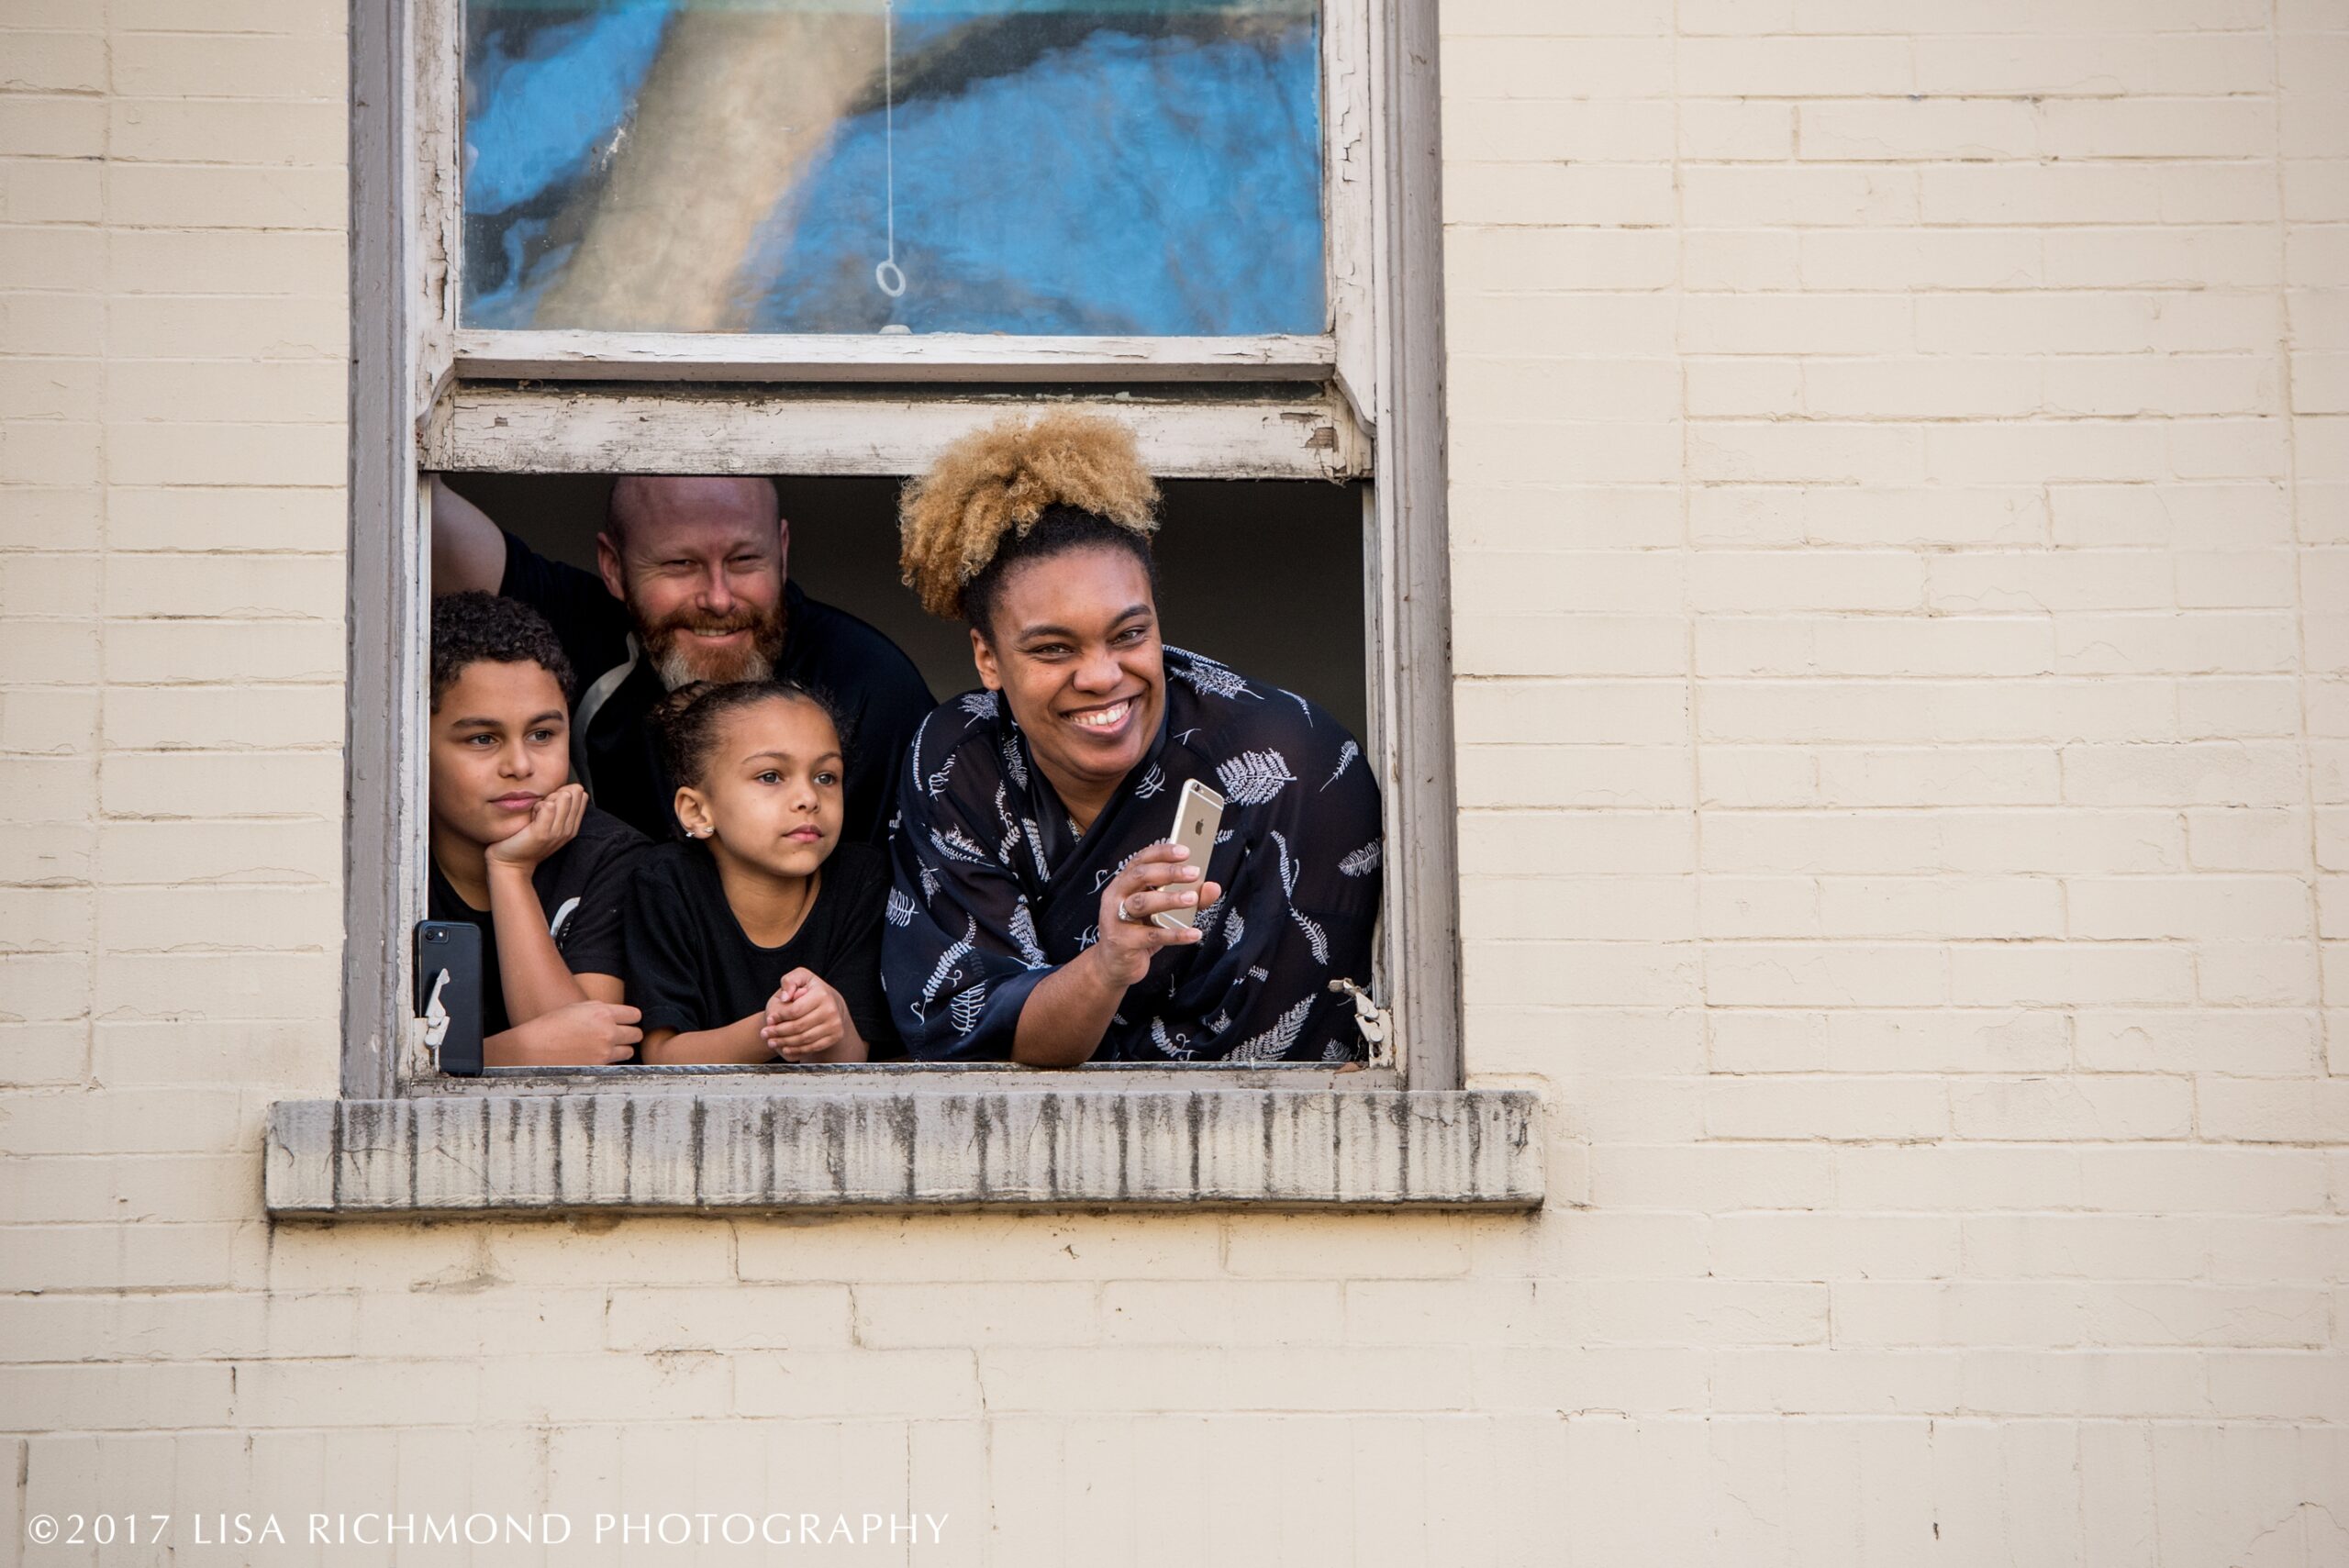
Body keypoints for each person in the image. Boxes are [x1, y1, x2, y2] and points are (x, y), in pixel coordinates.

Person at [884, 412, 1384, 1064]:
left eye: (1128, 635)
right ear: (987, 658)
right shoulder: (957, 763)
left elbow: (1277, 1078)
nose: (1101, 677)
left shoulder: (1294, 767)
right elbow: (971, 1038)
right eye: (1053, 648)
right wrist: (1108, 964)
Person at [429, 473, 933, 845]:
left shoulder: (869, 684)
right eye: (680, 564)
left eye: (743, 561)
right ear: (614, 568)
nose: (717, 598)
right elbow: (426, 515)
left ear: (781, 550)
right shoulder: (587, 630)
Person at [622, 681, 898, 1064]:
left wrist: (828, 1018)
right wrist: (773, 1028)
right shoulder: (665, 884)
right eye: (771, 776)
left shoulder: (862, 881)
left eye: (826, 777)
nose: (808, 799)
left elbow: (853, 1063)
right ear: (697, 812)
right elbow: (664, 1057)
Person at [426, 592, 649, 1066]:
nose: (520, 765)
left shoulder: (614, 858)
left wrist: (509, 870)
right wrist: (509, 1051)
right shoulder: (387, 857)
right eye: (482, 739)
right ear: (412, 739)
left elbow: (581, 1054)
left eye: (542, 734)